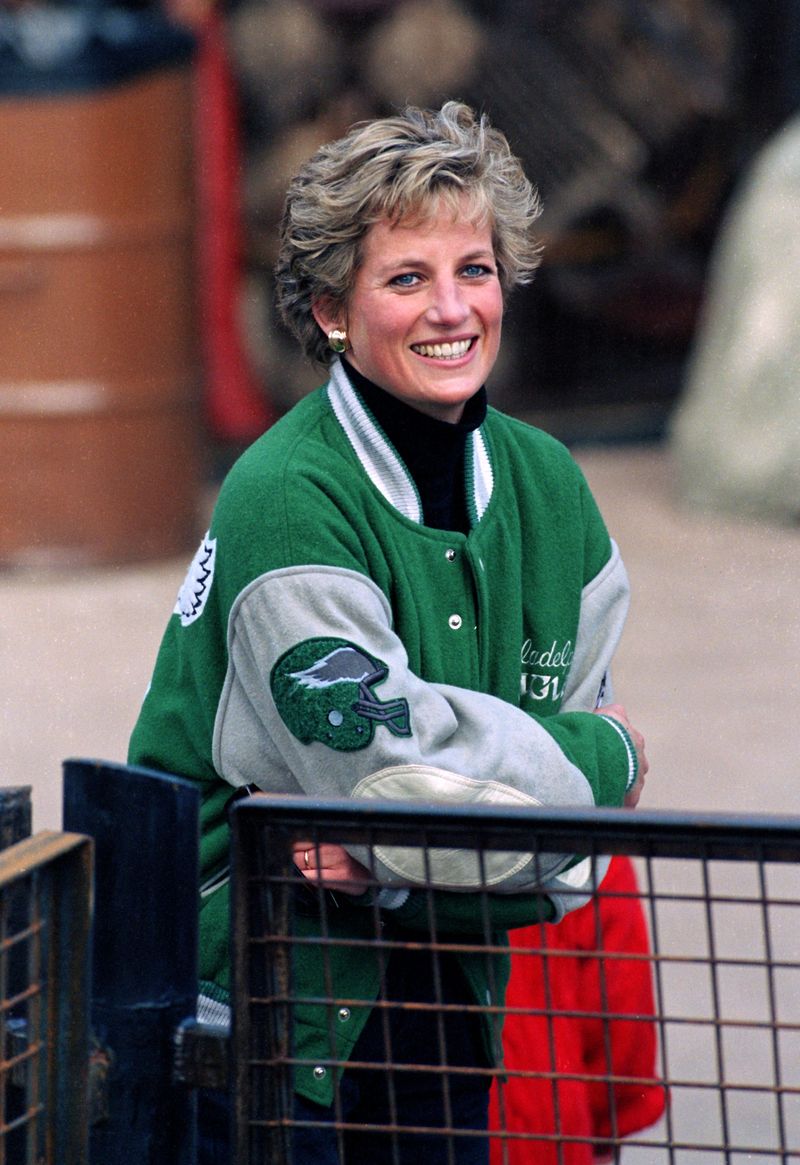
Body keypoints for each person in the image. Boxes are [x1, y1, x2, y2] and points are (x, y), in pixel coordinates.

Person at [128, 101, 648, 1163]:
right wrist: (604, 758)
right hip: (268, 1005)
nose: (451, 310)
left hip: (453, 1001)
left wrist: (404, 851)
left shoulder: (552, 491)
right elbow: (398, 780)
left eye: (475, 270)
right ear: (329, 309)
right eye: (406, 278)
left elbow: (567, 842)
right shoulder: (283, 494)